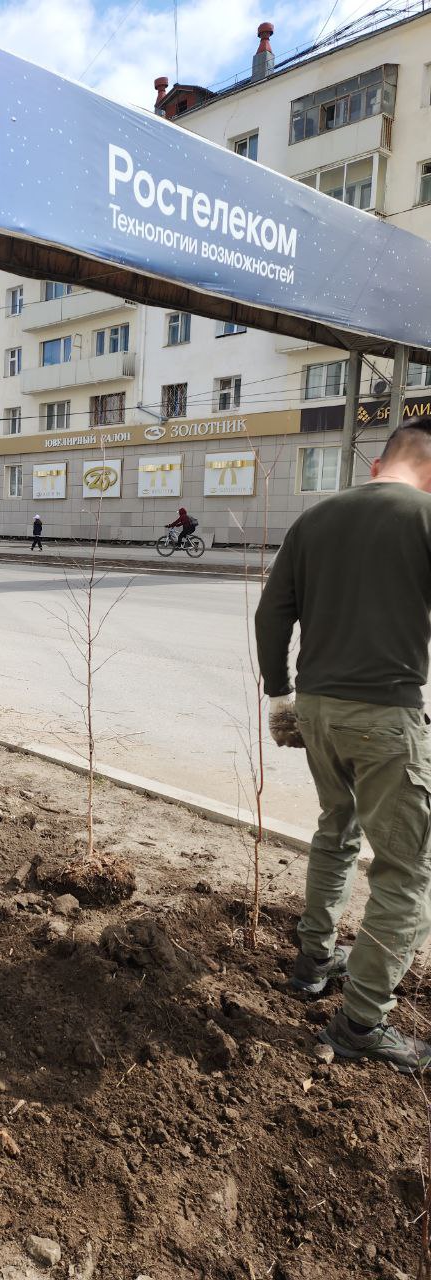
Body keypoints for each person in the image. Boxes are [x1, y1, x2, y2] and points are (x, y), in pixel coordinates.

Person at [255, 421, 431, 1072]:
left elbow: (272, 613)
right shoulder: (425, 518)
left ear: (381, 463)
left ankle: (311, 961)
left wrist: (281, 694)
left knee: (338, 826)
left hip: (319, 709)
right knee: (406, 871)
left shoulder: (317, 518)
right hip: (387, 713)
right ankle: (361, 1023)